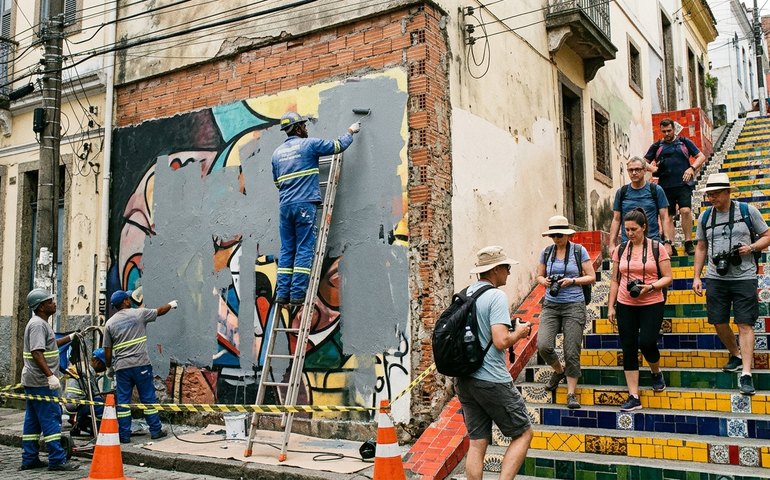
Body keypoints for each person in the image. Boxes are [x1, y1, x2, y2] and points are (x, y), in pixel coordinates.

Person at [456, 246, 533, 480]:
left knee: (478, 442)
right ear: (496, 269)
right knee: (523, 433)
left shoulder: (465, 294)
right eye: (506, 268)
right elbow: (501, 341)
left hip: (465, 379)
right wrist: (519, 332)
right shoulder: (496, 296)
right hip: (491, 378)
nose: (508, 273)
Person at [272, 112, 361, 308]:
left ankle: (282, 294)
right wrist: (351, 131)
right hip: (304, 205)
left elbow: (278, 182)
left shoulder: (277, 154)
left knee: (287, 249)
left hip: (285, 207)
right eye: (303, 125)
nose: (306, 128)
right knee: (304, 247)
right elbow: (338, 146)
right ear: (297, 128)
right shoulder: (309, 145)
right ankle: (296, 295)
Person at [693, 173, 770, 395]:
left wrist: (752, 248)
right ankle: (735, 354)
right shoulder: (706, 217)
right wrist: (697, 276)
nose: (711, 198)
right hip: (716, 277)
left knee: (745, 323)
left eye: (715, 193)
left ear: (728, 192)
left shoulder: (747, 212)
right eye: (709, 194)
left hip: (744, 275)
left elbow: (767, 235)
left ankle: (746, 373)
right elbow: (700, 247)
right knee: (718, 320)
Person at [607, 208, 673, 412]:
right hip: (626, 303)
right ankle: (633, 396)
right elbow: (615, 280)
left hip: (652, 301)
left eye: (633, 229)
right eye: (626, 229)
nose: (629, 233)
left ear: (644, 227)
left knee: (647, 342)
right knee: (628, 347)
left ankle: (655, 371)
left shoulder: (657, 248)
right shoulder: (620, 249)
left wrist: (651, 287)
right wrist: (611, 306)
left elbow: (668, 277)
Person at [536, 215, 596, 409]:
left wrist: (572, 281)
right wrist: (543, 281)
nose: (556, 238)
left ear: (567, 234)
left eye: (559, 235)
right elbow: (539, 275)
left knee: (571, 350)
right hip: (551, 304)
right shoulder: (546, 252)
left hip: (574, 304)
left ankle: (571, 394)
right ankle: (558, 370)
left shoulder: (579, 251)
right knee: (543, 345)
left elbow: (592, 277)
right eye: (553, 235)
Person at [104, 290, 178, 443]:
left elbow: (107, 350)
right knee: (148, 398)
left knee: (123, 401)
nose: (129, 300)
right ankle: (156, 430)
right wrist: (171, 305)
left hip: (122, 367)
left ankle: (124, 435)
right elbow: (159, 311)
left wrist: (108, 368)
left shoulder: (110, 323)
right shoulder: (138, 314)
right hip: (141, 364)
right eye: (127, 298)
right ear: (124, 301)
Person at [20, 288, 80, 471]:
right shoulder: (38, 325)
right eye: (49, 302)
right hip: (41, 383)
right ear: (40, 307)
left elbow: (50, 345)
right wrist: (50, 376)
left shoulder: (41, 323)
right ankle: (57, 460)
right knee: (51, 419)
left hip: (33, 382)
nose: (54, 303)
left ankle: (29, 459)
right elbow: (37, 352)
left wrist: (71, 337)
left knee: (33, 421)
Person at [644, 119, 706, 256]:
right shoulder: (657, 146)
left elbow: (701, 156)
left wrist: (692, 168)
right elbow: (643, 162)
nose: (667, 134)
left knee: (685, 210)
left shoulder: (684, 142)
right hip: (665, 186)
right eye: (664, 131)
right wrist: (653, 168)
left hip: (683, 184)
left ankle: (688, 242)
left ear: (674, 130)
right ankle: (670, 244)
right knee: (668, 215)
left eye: (669, 131)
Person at [609, 157, 670, 251]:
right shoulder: (622, 192)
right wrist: (612, 244)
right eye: (630, 170)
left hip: (652, 244)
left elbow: (664, 217)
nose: (634, 173)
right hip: (628, 245)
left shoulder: (656, 190)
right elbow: (616, 219)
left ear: (645, 170)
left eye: (637, 169)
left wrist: (667, 242)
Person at [64, 348, 107, 437]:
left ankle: (80, 423)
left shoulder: (82, 366)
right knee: (100, 404)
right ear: (97, 362)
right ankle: (99, 430)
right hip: (77, 404)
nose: (105, 369)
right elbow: (94, 393)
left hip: (72, 403)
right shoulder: (88, 372)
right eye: (104, 366)